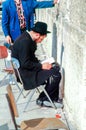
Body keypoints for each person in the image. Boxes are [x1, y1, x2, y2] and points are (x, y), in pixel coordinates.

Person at [11, 21, 62, 107]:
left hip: (27, 71)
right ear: (37, 35)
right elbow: (25, 63)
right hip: (27, 75)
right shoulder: (25, 42)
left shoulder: (26, 38)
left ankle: (49, 97)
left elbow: (29, 58)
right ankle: (45, 99)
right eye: (42, 39)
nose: (41, 41)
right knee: (55, 74)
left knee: (54, 67)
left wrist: (41, 63)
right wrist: (41, 66)